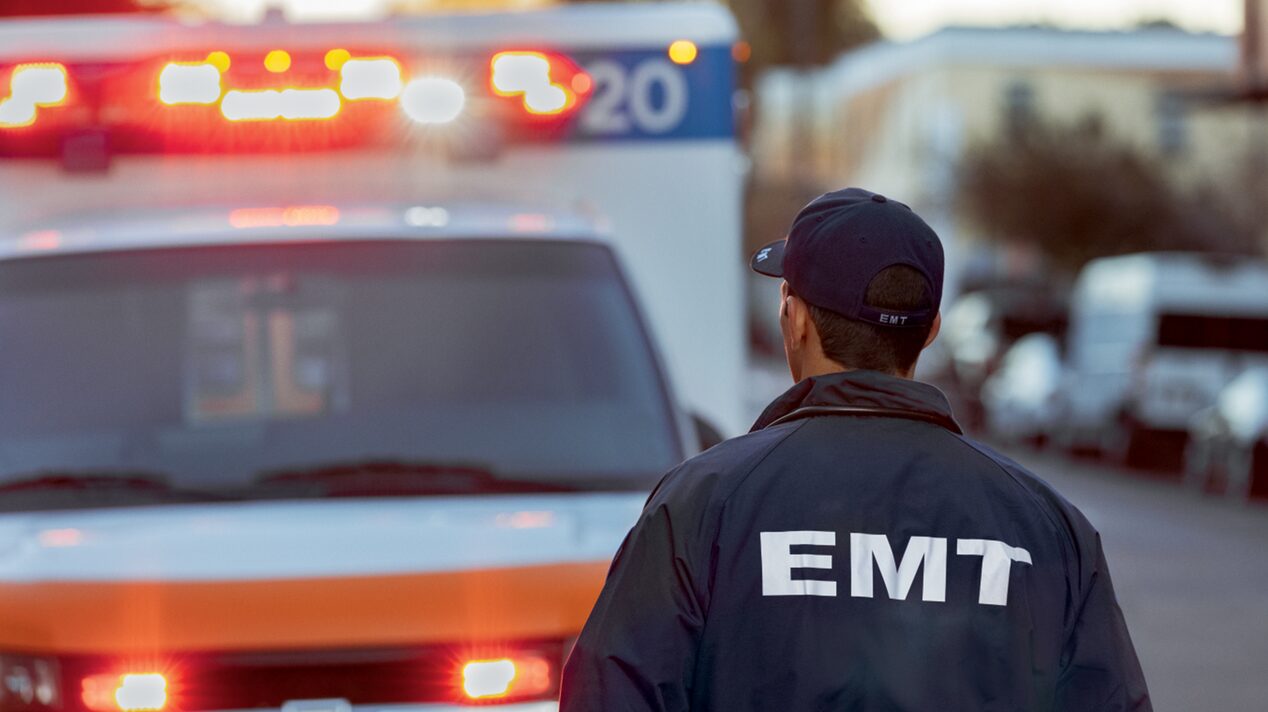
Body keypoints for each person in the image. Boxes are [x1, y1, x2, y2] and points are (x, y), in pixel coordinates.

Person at [558, 188, 1151, 711]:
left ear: (794, 318)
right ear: (932, 330)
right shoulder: (1046, 527)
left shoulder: (703, 504)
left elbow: (611, 693)